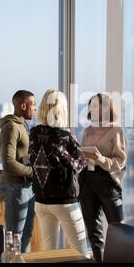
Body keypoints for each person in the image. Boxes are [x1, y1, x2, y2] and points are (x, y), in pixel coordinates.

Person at [28, 89, 88, 256]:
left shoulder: (33, 132)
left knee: (49, 253)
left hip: (41, 202)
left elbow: (32, 157)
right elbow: (78, 164)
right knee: (80, 252)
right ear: (61, 109)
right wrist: (64, 152)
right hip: (64, 202)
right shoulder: (65, 136)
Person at [79, 93, 127, 262]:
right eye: (91, 105)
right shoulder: (87, 131)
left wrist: (101, 159)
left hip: (107, 182)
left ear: (106, 108)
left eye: (96, 105)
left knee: (118, 229)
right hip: (87, 181)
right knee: (93, 232)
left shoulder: (116, 130)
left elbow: (120, 162)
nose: (92, 109)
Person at [0, 90, 36, 253]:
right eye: (33, 104)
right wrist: (33, 172)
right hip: (16, 188)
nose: (35, 108)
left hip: (27, 188)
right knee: (15, 238)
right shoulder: (11, 128)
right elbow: (8, 163)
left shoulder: (23, 125)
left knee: (25, 236)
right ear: (23, 105)